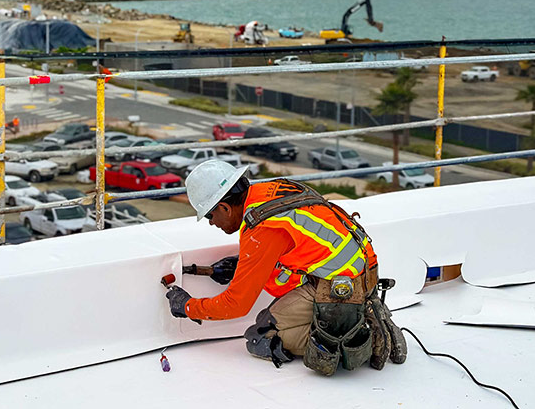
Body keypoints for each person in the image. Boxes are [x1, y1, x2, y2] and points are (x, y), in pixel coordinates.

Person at [165, 160, 407, 376]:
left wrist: (187, 307)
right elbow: (296, 251)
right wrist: (243, 267)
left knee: (261, 336)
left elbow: (236, 306)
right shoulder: (273, 192)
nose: (212, 223)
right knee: (272, 318)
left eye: (210, 216)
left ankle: (359, 335)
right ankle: (357, 313)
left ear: (225, 208)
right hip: (360, 271)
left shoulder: (261, 229)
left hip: (340, 288)